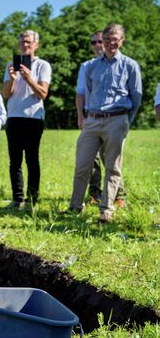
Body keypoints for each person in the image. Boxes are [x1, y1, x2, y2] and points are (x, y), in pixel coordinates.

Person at [67, 23, 142, 223]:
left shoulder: (130, 65)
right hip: (93, 120)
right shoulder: (92, 66)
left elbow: (136, 97)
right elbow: (87, 93)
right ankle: (75, 206)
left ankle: (106, 210)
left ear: (122, 40)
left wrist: (126, 121)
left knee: (112, 167)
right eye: (106, 39)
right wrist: (86, 116)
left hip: (117, 120)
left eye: (114, 39)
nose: (110, 43)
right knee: (82, 166)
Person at [2, 30, 51, 210]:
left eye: (29, 42)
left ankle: (32, 200)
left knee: (32, 160)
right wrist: (13, 79)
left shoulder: (43, 66)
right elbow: (6, 94)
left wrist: (29, 78)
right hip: (14, 118)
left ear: (36, 45)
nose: (25, 45)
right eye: (23, 42)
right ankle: (17, 199)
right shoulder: (11, 65)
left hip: (33, 118)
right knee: (14, 161)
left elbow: (43, 94)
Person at [76, 31, 125, 206]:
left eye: (100, 41)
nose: (97, 44)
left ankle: (118, 195)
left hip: (113, 119)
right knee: (91, 159)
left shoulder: (120, 64)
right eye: (94, 42)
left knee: (111, 158)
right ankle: (94, 192)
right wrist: (81, 116)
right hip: (92, 118)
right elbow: (80, 93)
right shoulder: (87, 66)